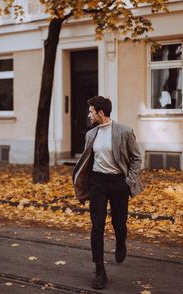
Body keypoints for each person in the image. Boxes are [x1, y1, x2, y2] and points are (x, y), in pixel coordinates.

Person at [73, 96, 143, 290]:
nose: (89, 114)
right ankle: (99, 270)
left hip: (118, 182)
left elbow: (136, 158)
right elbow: (87, 161)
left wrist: (128, 181)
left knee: (119, 222)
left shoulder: (124, 131)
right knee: (97, 226)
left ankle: (121, 242)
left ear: (100, 113)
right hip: (98, 183)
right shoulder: (91, 134)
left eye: (91, 111)